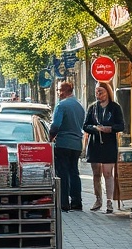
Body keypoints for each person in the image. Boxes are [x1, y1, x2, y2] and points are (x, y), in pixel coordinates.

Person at [83, 80, 125, 213]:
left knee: (108, 173)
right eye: (96, 92)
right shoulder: (92, 108)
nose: (98, 95)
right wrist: (94, 128)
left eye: (101, 92)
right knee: (96, 173)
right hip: (95, 144)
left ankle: (109, 201)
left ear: (107, 92)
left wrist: (110, 129)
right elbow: (85, 126)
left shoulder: (115, 107)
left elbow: (121, 125)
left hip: (109, 144)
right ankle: (98, 199)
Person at [49, 80, 85, 211]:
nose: (58, 92)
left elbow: (56, 125)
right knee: (74, 171)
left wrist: (50, 138)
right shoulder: (79, 106)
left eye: (59, 90)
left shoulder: (61, 105)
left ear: (64, 91)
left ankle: (64, 202)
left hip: (63, 143)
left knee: (62, 172)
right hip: (76, 144)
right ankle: (77, 201)